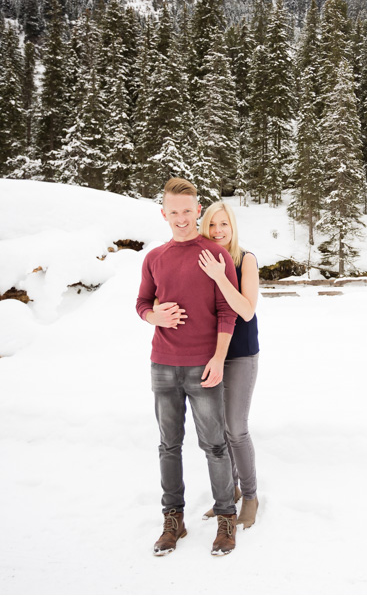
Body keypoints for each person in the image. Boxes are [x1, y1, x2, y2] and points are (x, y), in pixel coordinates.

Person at [135, 178, 240, 557]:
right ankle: (173, 519)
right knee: (168, 446)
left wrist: (217, 358)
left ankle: (226, 518)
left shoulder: (215, 255)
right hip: (162, 364)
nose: (181, 218)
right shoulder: (154, 257)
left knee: (214, 444)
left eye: (187, 211)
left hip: (203, 364)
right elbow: (142, 302)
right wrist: (153, 316)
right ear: (164, 214)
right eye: (173, 212)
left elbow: (228, 312)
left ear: (198, 210)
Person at [197, 201, 261, 528]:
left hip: (241, 354)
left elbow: (246, 310)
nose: (218, 231)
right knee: (220, 430)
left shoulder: (244, 259)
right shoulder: (201, 259)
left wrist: (221, 277)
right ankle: (230, 491)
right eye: (212, 225)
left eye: (224, 224)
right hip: (209, 354)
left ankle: (250, 496)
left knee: (236, 427)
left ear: (233, 227)